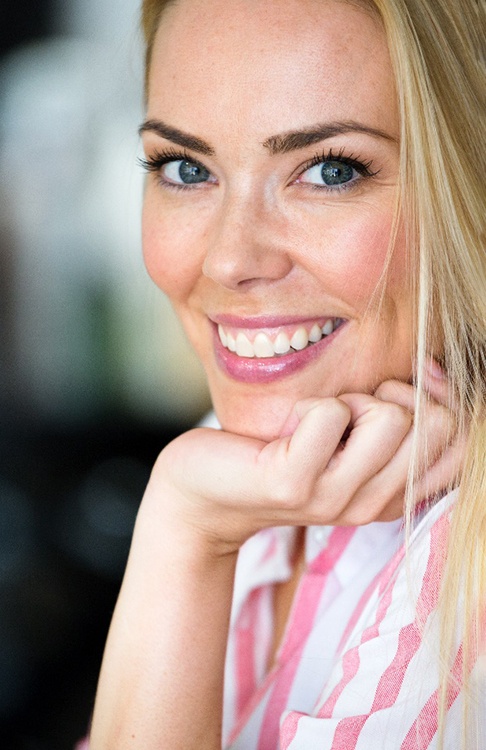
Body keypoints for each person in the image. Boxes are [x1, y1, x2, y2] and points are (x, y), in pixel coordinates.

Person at [88, 0, 485, 747]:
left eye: (329, 171)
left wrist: (185, 531)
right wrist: (186, 523)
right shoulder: (252, 461)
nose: (230, 260)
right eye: (185, 168)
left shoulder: (466, 580)